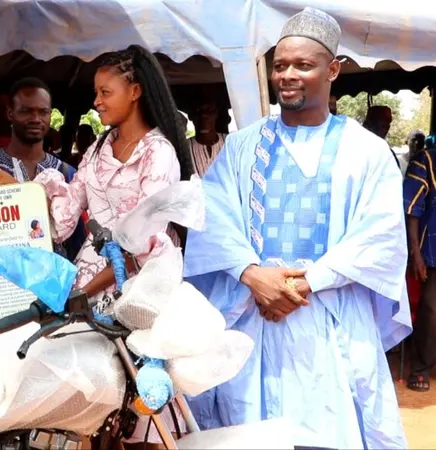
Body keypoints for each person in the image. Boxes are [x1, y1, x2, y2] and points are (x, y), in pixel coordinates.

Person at [183, 8, 410, 449]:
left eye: (303, 65)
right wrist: (252, 275)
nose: (287, 75)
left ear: (333, 70)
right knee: (249, 432)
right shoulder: (243, 145)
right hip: (252, 317)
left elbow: (379, 234)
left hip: (329, 319)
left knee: (330, 432)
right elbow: (213, 216)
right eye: (280, 65)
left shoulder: (367, 151)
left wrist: (301, 284)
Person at [0, 46, 195, 448]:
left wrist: (81, 293)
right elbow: (63, 217)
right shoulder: (97, 149)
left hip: (137, 291)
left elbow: (140, 243)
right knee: (89, 411)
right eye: (96, 92)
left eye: (105, 92)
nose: (96, 101)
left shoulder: (158, 154)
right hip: (87, 283)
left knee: (136, 412)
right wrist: (11, 189)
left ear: (136, 91)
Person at [0, 77, 85, 260]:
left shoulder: (66, 172)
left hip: (53, 281)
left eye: (43, 112)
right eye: (26, 111)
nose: (36, 119)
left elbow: (77, 241)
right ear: (10, 113)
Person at [404, 133, 436, 392]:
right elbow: (411, 208)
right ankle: (421, 367)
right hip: (432, 249)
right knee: (430, 309)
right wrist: (415, 252)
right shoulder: (425, 160)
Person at [188, 94, 227, 175]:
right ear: (191, 116)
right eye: (198, 110)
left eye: (209, 110)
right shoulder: (184, 148)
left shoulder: (230, 143)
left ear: (216, 114)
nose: (203, 115)